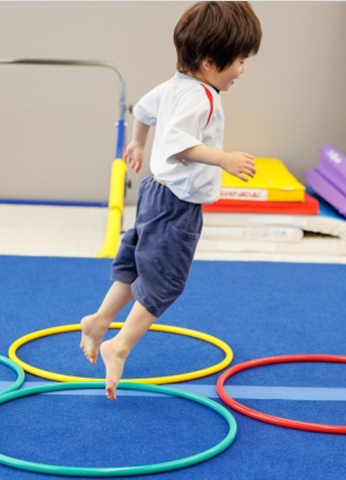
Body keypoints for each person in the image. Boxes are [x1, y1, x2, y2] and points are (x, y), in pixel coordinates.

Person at [80, 1, 262, 400]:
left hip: (155, 191)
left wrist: (137, 143)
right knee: (165, 281)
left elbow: (144, 111)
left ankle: (99, 321)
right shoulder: (201, 97)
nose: (242, 70)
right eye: (240, 61)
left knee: (136, 263)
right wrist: (224, 159)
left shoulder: (175, 84)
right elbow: (180, 144)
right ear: (211, 62)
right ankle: (119, 345)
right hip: (178, 203)